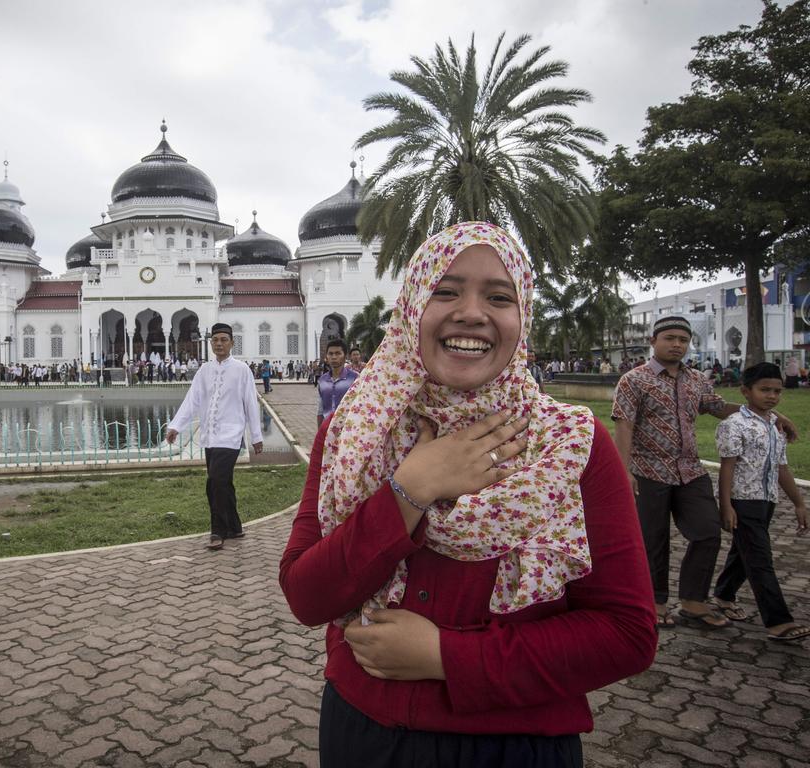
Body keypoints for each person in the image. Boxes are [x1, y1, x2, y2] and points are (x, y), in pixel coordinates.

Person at [281, 222, 656, 767]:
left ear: (521, 319)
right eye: (446, 290)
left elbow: (625, 634)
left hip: (513, 744)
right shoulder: (354, 435)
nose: (472, 313)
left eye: (498, 297)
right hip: (361, 731)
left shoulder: (568, 446)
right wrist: (409, 490)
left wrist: (447, 656)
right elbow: (307, 596)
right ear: (411, 308)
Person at [612, 317, 796, 630]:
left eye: (683, 340)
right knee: (653, 540)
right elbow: (624, 424)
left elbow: (718, 406)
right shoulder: (634, 380)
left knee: (708, 530)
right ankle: (654, 603)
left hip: (689, 470)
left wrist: (772, 413)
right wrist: (624, 471)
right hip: (648, 469)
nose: (677, 345)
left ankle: (693, 603)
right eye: (670, 338)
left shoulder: (696, 379)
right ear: (654, 340)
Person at [711, 362, 809, 643]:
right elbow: (726, 468)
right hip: (743, 501)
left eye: (777, 391)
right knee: (760, 560)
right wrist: (726, 505)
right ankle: (778, 621)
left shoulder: (775, 426)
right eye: (764, 390)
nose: (771, 396)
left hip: (767, 500)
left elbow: (782, 468)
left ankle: (723, 595)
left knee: (744, 553)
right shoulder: (734, 425)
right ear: (745, 391)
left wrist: (799, 504)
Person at [167, 323, 263, 550]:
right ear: (211, 344)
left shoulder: (241, 370)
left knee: (215, 482)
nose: (219, 344)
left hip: (230, 436)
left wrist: (256, 436)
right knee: (223, 483)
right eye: (215, 340)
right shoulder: (204, 371)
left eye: (223, 340)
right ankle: (235, 526)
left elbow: (251, 402)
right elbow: (192, 400)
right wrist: (176, 426)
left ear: (231, 343)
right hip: (210, 436)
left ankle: (217, 531)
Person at [317, 339, 358, 427]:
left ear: (345, 356)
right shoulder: (322, 381)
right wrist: (319, 432)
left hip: (348, 429)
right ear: (327, 357)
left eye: (338, 353)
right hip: (327, 428)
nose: (334, 357)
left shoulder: (355, 379)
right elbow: (320, 410)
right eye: (330, 354)